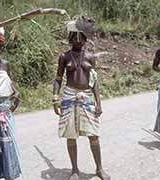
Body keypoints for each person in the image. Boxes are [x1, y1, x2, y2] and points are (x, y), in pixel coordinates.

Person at [53, 18, 110, 180]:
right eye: (74, 38)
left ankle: (99, 169)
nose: (78, 41)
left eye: (81, 38)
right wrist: (55, 98)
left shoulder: (91, 56)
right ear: (69, 39)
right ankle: (75, 170)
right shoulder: (64, 57)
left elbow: (94, 81)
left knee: (94, 135)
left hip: (88, 98)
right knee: (71, 135)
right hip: (69, 96)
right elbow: (58, 78)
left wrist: (99, 103)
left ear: (85, 39)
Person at [0, 25, 22, 179]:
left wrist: (16, 94)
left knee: (7, 144)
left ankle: (9, 174)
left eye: (0, 46)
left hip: (4, 109)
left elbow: (11, 85)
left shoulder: (5, 64)